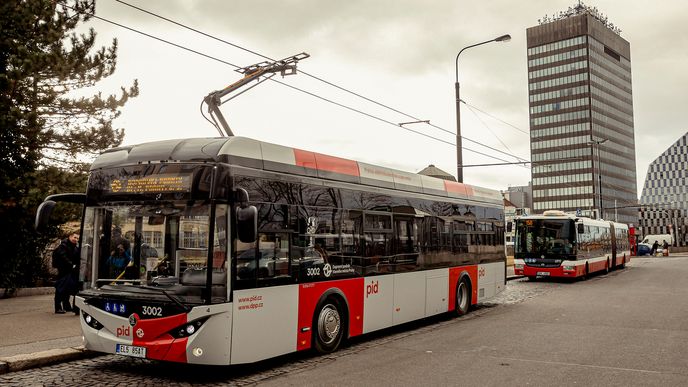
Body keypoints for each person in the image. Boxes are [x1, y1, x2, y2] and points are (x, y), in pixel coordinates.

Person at [52, 232, 79, 314]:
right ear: (70, 237)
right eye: (75, 237)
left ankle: (66, 306)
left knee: (67, 288)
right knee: (60, 288)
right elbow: (63, 257)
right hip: (63, 270)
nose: (76, 239)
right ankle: (58, 307)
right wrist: (72, 265)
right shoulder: (63, 246)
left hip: (70, 270)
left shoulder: (74, 247)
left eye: (77, 238)